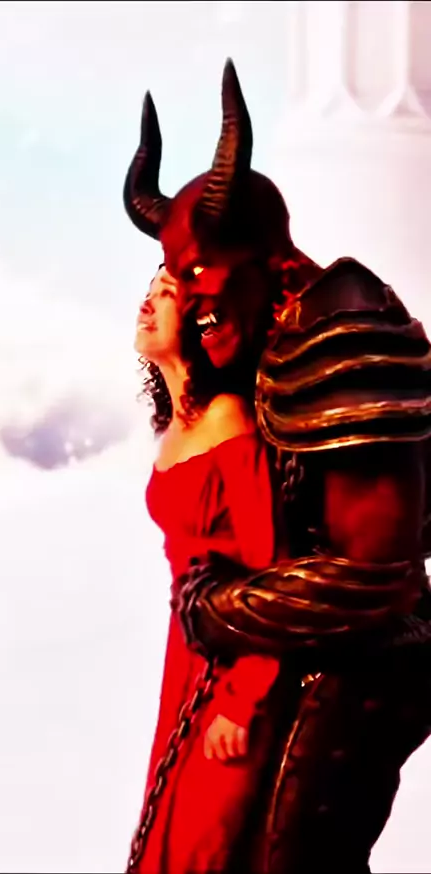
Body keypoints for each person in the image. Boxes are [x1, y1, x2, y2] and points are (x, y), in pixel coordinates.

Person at [123, 58, 431, 874]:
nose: (189, 300)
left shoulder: (343, 329)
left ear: (263, 258)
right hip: (284, 659)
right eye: (175, 279)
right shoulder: (270, 340)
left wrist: (222, 609)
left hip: (360, 664)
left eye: (196, 274)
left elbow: (372, 573)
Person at [128, 263, 281, 873]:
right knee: (165, 840)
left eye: (166, 294)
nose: (147, 303)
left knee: (206, 848)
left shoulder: (227, 417)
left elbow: (271, 565)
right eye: (148, 292)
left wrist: (244, 699)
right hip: (186, 658)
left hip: (238, 662)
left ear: (198, 319)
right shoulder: (175, 428)